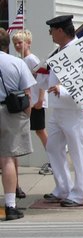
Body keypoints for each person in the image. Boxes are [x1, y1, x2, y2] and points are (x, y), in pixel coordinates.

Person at [43, 15, 83, 207]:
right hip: (59, 108)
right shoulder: (59, 51)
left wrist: (62, 90)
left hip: (74, 108)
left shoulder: (79, 50)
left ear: (61, 31)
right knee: (53, 146)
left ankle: (81, 193)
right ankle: (63, 187)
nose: (50, 34)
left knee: (77, 150)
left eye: (52, 30)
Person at [0, 27, 35, 220]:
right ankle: (10, 206)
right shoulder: (17, 63)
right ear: (7, 44)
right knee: (7, 159)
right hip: (10, 113)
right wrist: (26, 117)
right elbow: (28, 94)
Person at [11, 30, 51, 186]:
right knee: (36, 131)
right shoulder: (21, 60)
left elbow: (43, 78)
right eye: (15, 43)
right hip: (29, 103)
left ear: (28, 43)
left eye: (20, 42)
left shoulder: (31, 59)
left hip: (36, 103)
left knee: (41, 131)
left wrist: (41, 99)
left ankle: (53, 160)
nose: (17, 45)